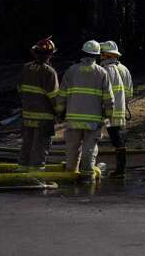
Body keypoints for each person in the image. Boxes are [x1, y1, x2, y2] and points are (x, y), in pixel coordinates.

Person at [56, 40, 113, 181]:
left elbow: (61, 95)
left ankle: (70, 174)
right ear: (97, 55)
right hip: (93, 122)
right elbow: (109, 99)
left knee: (72, 149)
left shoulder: (71, 71)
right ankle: (87, 178)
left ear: (83, 53)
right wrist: (108, 117)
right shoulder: (102, 73)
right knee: (89, 149)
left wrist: (59, 113)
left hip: (73, 120)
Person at [17, 37, 60, 170]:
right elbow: (54, 97)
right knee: (40, 148)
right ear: (50, 55)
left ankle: (22, 171)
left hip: (27, 116)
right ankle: (36, 176)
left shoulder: (26, 68)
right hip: (44, 119)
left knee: (27, 146)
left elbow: (19, 89)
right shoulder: (49, 72)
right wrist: (60, 112)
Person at [100, 40, 133, 177]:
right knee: (118, 138)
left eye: (101, 54)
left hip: (108, 112)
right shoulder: (124, 69)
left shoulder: (105, 70)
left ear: (106, 55)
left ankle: (120, 171)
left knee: (114, 138)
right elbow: (129, 93)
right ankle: (121, 168)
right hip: (120, 112)